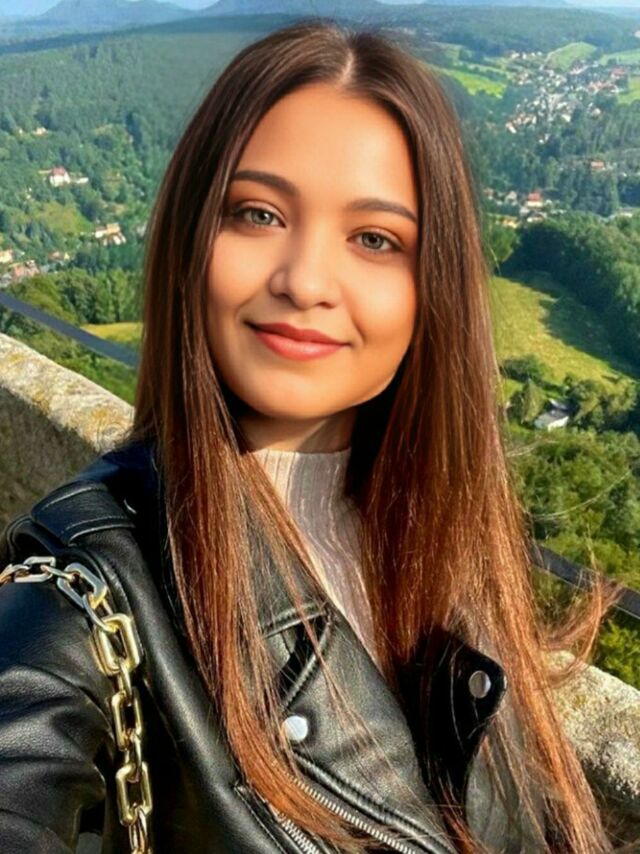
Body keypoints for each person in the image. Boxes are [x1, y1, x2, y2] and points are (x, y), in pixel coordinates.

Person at [0, 19, 626, 854]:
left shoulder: (447, 540)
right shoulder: (81, 595)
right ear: (191, 239)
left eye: (374, 239)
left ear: (431, 287)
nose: (304, 281)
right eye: (258, 214)